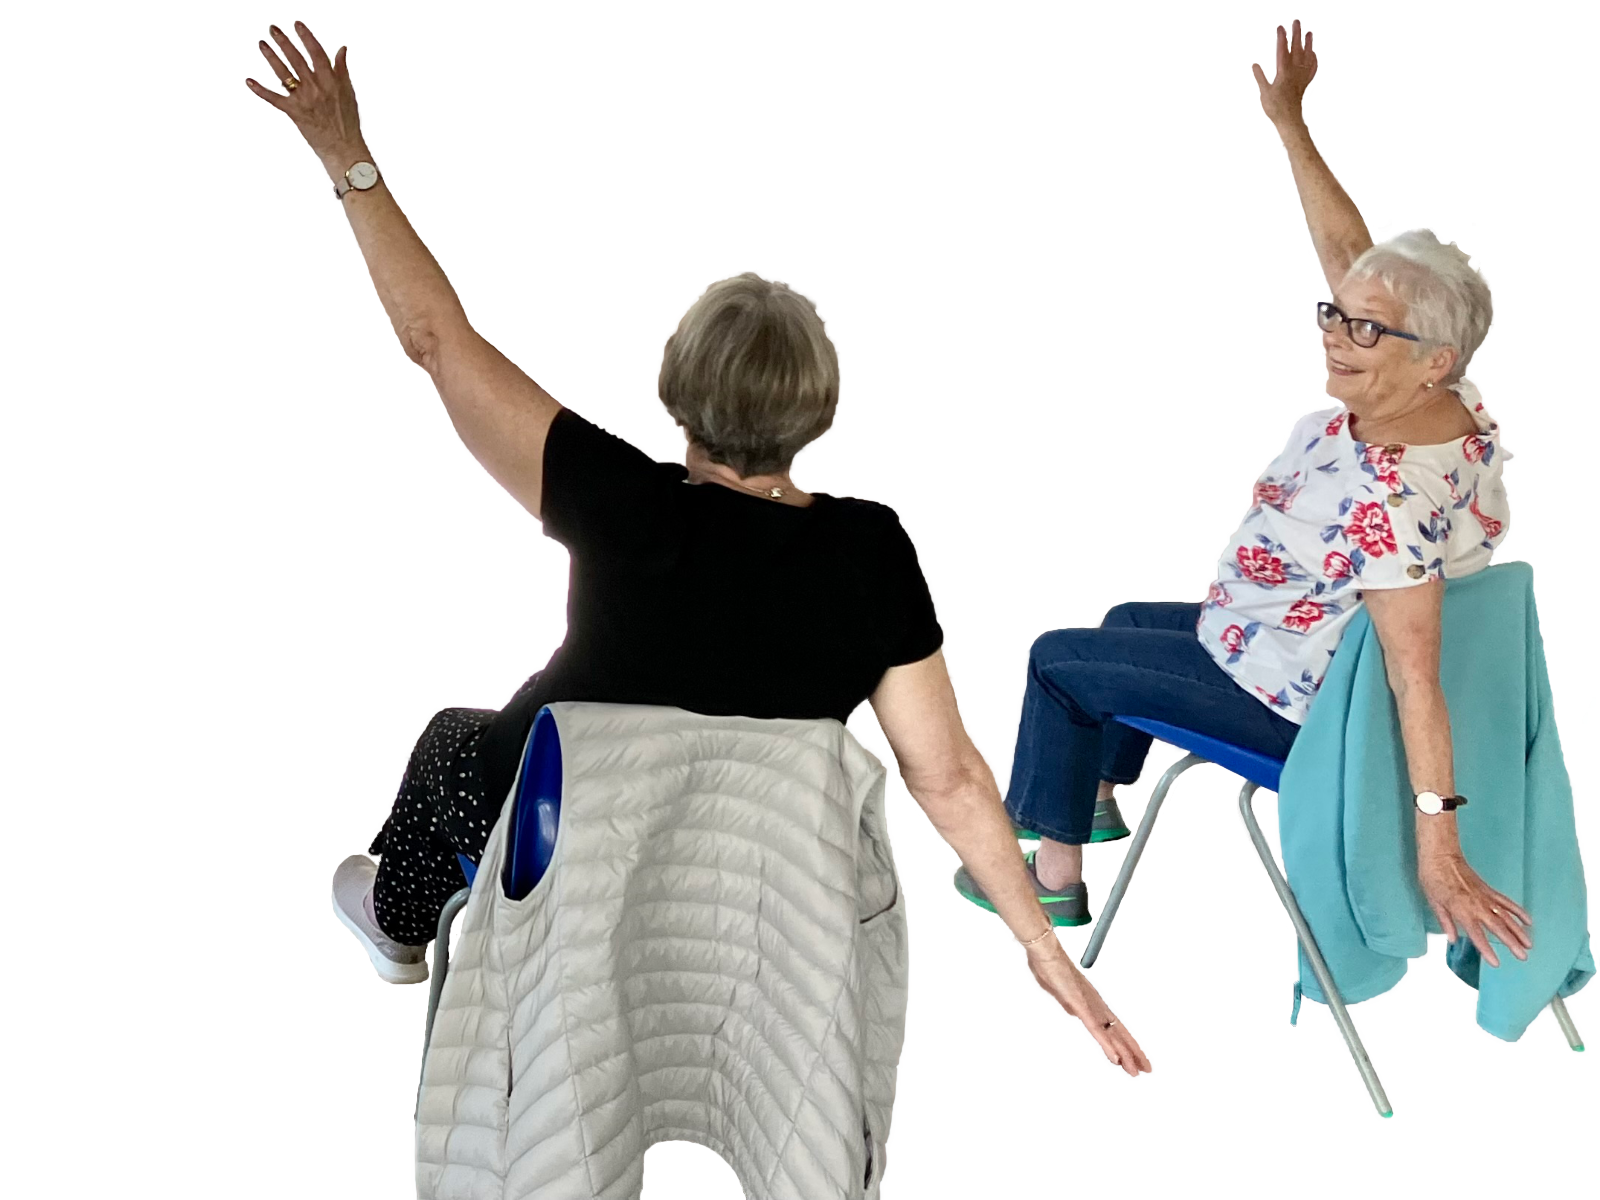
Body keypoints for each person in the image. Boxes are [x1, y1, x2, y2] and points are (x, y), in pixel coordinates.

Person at [245, 20, 1151, 1075]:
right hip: (737, 883)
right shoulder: (871, 551)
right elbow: (943, 774)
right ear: (814, 406)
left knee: (455, 739)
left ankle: (400, 925)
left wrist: (345, 159)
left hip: (565, 854)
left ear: (678, 386)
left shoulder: (618, 500)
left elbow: (437, 340)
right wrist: (1041, 945)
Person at [961, 22, 1533, 972]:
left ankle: (1051, 871)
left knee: (1060, 661)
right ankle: (1093, 798)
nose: (1336, 337)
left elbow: (1415, 678)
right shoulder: (1450, 405)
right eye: (1339, 316)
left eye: (1366, 331)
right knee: (1122, 617)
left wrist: (1441, 845)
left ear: (1432, 361)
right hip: (1287, 641)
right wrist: (1291, 123)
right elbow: (1357, 258)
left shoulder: (1392, 508)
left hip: (1292, 705)